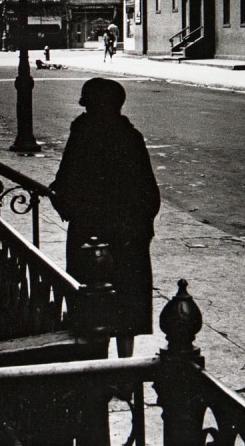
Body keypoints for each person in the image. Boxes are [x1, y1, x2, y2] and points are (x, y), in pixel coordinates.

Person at [50, 78, 160, 357]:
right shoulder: (130, 136)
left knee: (90, 302)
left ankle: (97, 363)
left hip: (90, 231)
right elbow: (149, 192)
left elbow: (65, 182)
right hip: (128, 232)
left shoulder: (83, 133)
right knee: (127, 302)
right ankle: (125, 368)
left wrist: (63, 202)